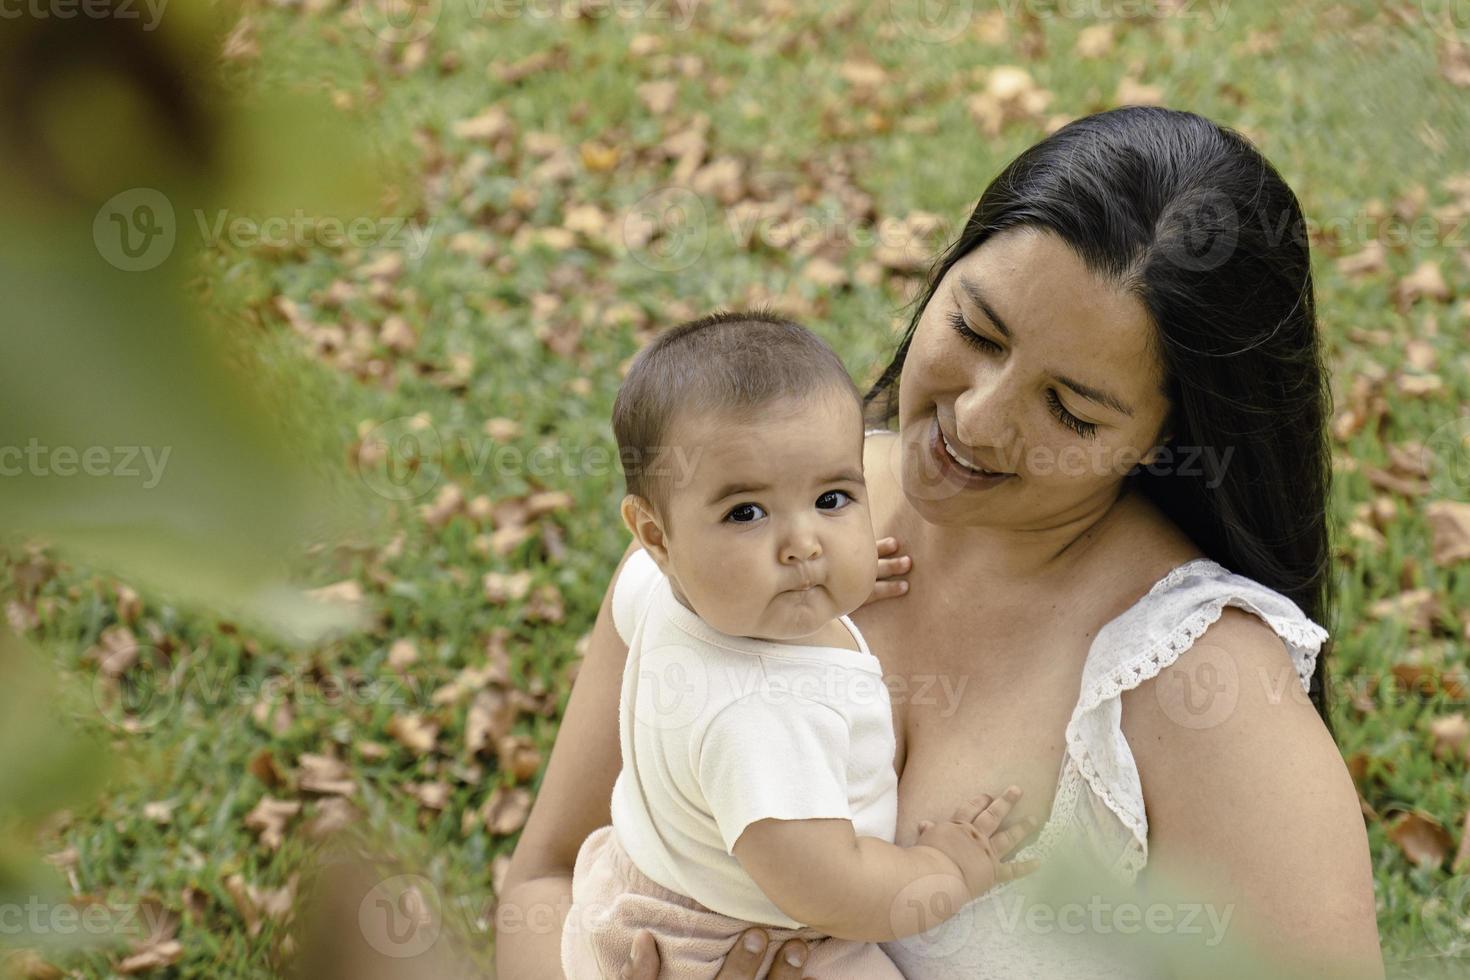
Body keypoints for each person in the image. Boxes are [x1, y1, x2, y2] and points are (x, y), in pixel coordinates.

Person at [497, 106, 1383, 978]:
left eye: (1069, 410)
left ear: (1167, 436)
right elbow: (545, 877)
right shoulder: (728, 526)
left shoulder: (1205, 690)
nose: (976, 417)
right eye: (974, 331)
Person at [560, 311, 1036, 979]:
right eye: (746, 514)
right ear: (658, 534)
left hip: (638, 894)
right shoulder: (765, 714)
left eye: (833, 499)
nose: (804, 545)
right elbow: (832, 888)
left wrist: (811, 598)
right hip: (740, 946)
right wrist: (945, 868)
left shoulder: (658, 584)